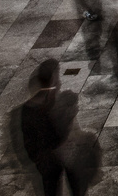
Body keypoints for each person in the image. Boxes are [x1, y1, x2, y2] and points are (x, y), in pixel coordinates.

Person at [16, 58, 95, 196]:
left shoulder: (44, 103)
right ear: (52, 81)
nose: (59, 83)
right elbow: (53, 138)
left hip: (54, 161)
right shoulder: (40, 108)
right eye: (57, 78)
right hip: (51, 162)